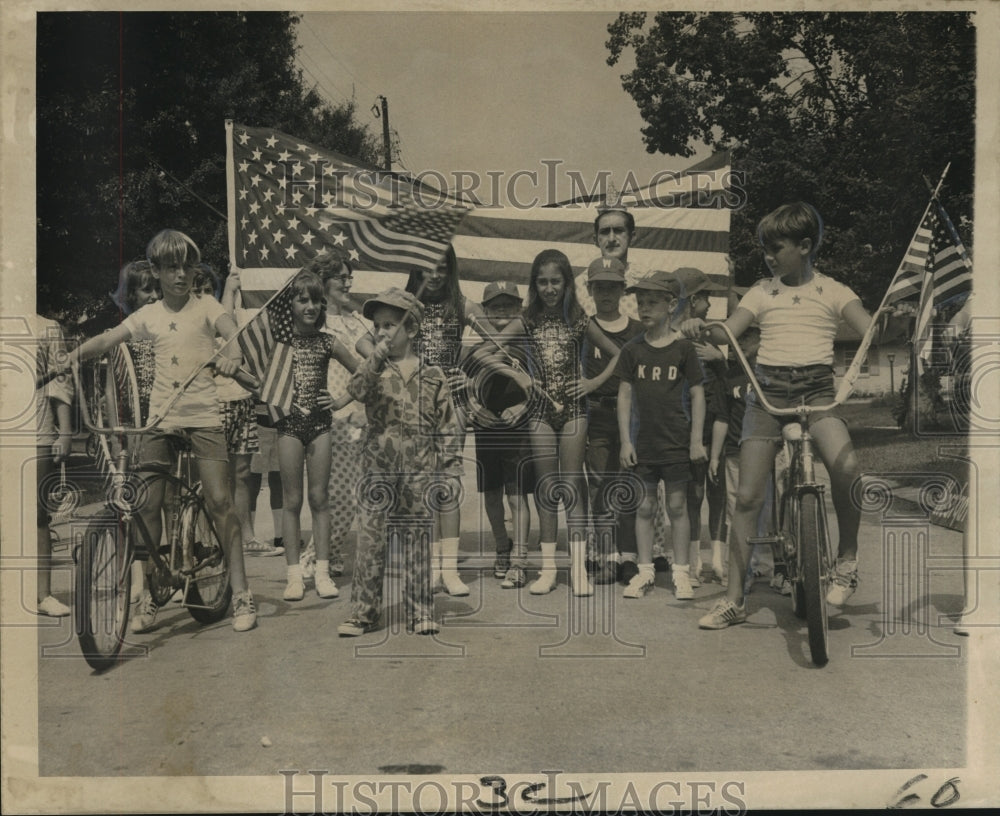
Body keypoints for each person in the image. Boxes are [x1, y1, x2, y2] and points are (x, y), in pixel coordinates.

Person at [686, 202, 872, 629]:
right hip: (767, 392)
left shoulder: (833, 290)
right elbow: (728, 331)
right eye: (765, 249)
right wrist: (702, 327)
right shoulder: (761, 292)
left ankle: (846, 560)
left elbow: (868, 329)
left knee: (847, 469)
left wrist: (886, 321)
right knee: (748, 495)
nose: (769, 257)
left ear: (804, 246)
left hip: (819, 392)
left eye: (777, 248)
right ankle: (734, 599)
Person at [61, 229, 257, 632]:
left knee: (221, 501)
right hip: (160, 420)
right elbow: (108, 338)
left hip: (203, 416)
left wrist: (231, 358)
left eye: (187, 266)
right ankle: (150, 593)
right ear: (157, 271)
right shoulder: (148, 315)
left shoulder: (206, 306)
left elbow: (230, 333)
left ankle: (241, 593)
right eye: (171, 268)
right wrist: (73, 356)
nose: (181, 275)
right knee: (147, 506)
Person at [474, 249, 624, 596]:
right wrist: (518, 375)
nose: (549, 288)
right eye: (542, 282)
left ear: (567, 283)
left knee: (570, 488)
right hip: (540, 412)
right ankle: (548, 569)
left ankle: (578, 569)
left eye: (555, 281)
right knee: (546, 489)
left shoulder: (580, 320)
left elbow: (621, 355)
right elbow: (484, 354)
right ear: (534, 284)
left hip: (574, 411)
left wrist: (592, 383)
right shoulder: (527, 319)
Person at [358, 247, 484, 597]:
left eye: (443, 269)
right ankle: (426, 565)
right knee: (416, 488)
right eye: (429, 269)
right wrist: (386, 364)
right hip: (407, 401)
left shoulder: (463, 306)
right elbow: (362, 341)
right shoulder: (403, 307)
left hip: (447, 403)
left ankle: (449, 569)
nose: (436, 275)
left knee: (448, 481)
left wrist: (469, 374)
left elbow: (493, 341)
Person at [338, 288, 464, 636]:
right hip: (377, 468)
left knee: (417, 541)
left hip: (420, 470)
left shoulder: (434, 375)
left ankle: (421, 610)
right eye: (377, 325)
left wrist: (451, 468)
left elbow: (448, 424)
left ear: (412, 330)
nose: (380, 332)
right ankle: (363, 613)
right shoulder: (373, 370)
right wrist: (374, 360)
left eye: (390, 325)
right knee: (370, 541)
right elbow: (357, 391)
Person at [617, 270, 706, 599]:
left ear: (671, 306)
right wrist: (626, 440)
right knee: (644, 507)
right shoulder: (632, 350)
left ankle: (681, 573)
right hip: (644, 443)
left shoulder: (683, 349)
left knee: (678, 506)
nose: (644, 308)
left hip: (676, 441)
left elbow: (697, 393)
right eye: (640, 302)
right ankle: (644, 572)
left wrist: (696, 439)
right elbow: (624, 396)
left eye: (653, 302)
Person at [272, 269, 357, 602]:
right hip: (289, 426)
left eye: (315, 301)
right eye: (302, 299)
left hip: (321, 425)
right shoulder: (279, 343)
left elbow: (362, 371)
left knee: (320, 500)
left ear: (323, 305)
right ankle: (294, 576)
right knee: (291, 502)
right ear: (290, 303)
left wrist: (340, 401)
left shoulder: (328, 342)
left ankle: (322, 572)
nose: (309, 306)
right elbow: (257, 378)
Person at [462, 280, 536, 587]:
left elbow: (540, 382)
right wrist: (474, 408)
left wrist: (524, 408)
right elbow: (461, 383)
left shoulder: (527, 341)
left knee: (517, 495)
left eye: (509, 305)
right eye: (495, 306)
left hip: (517, 425)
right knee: (491, 493)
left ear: (520, 308)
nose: (502, 311)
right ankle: (502, 547)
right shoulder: (476, 344)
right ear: (485, 311)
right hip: (487, 424)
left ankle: (519, 558)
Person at [580, 256, 644, 585]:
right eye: (599, 286)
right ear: (589, 289)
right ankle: (606, 556)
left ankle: (629, 558)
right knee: (600, 486)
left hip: (631, 418)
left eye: (612, 287)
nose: (606, 293)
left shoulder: (637, 330)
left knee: (629, 486)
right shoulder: (585, 328)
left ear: (623, 290)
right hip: (597, 413)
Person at [672, 267, 730, 587]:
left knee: (717, 493)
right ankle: (693, 562)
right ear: (693, 300)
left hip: (715, 433)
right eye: (705, 298)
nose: (709, 305)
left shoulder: (710, 340)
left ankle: (717, 561)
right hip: (685, 433)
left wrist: (719, 359)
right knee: (692, 496)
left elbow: (722, 404)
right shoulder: (673, 340)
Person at [314, 251, 367, 579]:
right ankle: (316, 555)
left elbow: (371, 358)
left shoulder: (354, 321)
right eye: (341, 278)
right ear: (324, 283)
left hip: (353, 415)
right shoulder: (312, 321)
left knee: (351, 493)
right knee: (332, 494)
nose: (348, 283)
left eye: (350, 277)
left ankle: (328, 553)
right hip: (324, 416)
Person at [33, 314, 74, 617]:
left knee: (36, 512)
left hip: (36, 428)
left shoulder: (47, 327)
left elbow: (61, 383)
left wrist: (66, 431)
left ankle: (43, 594)